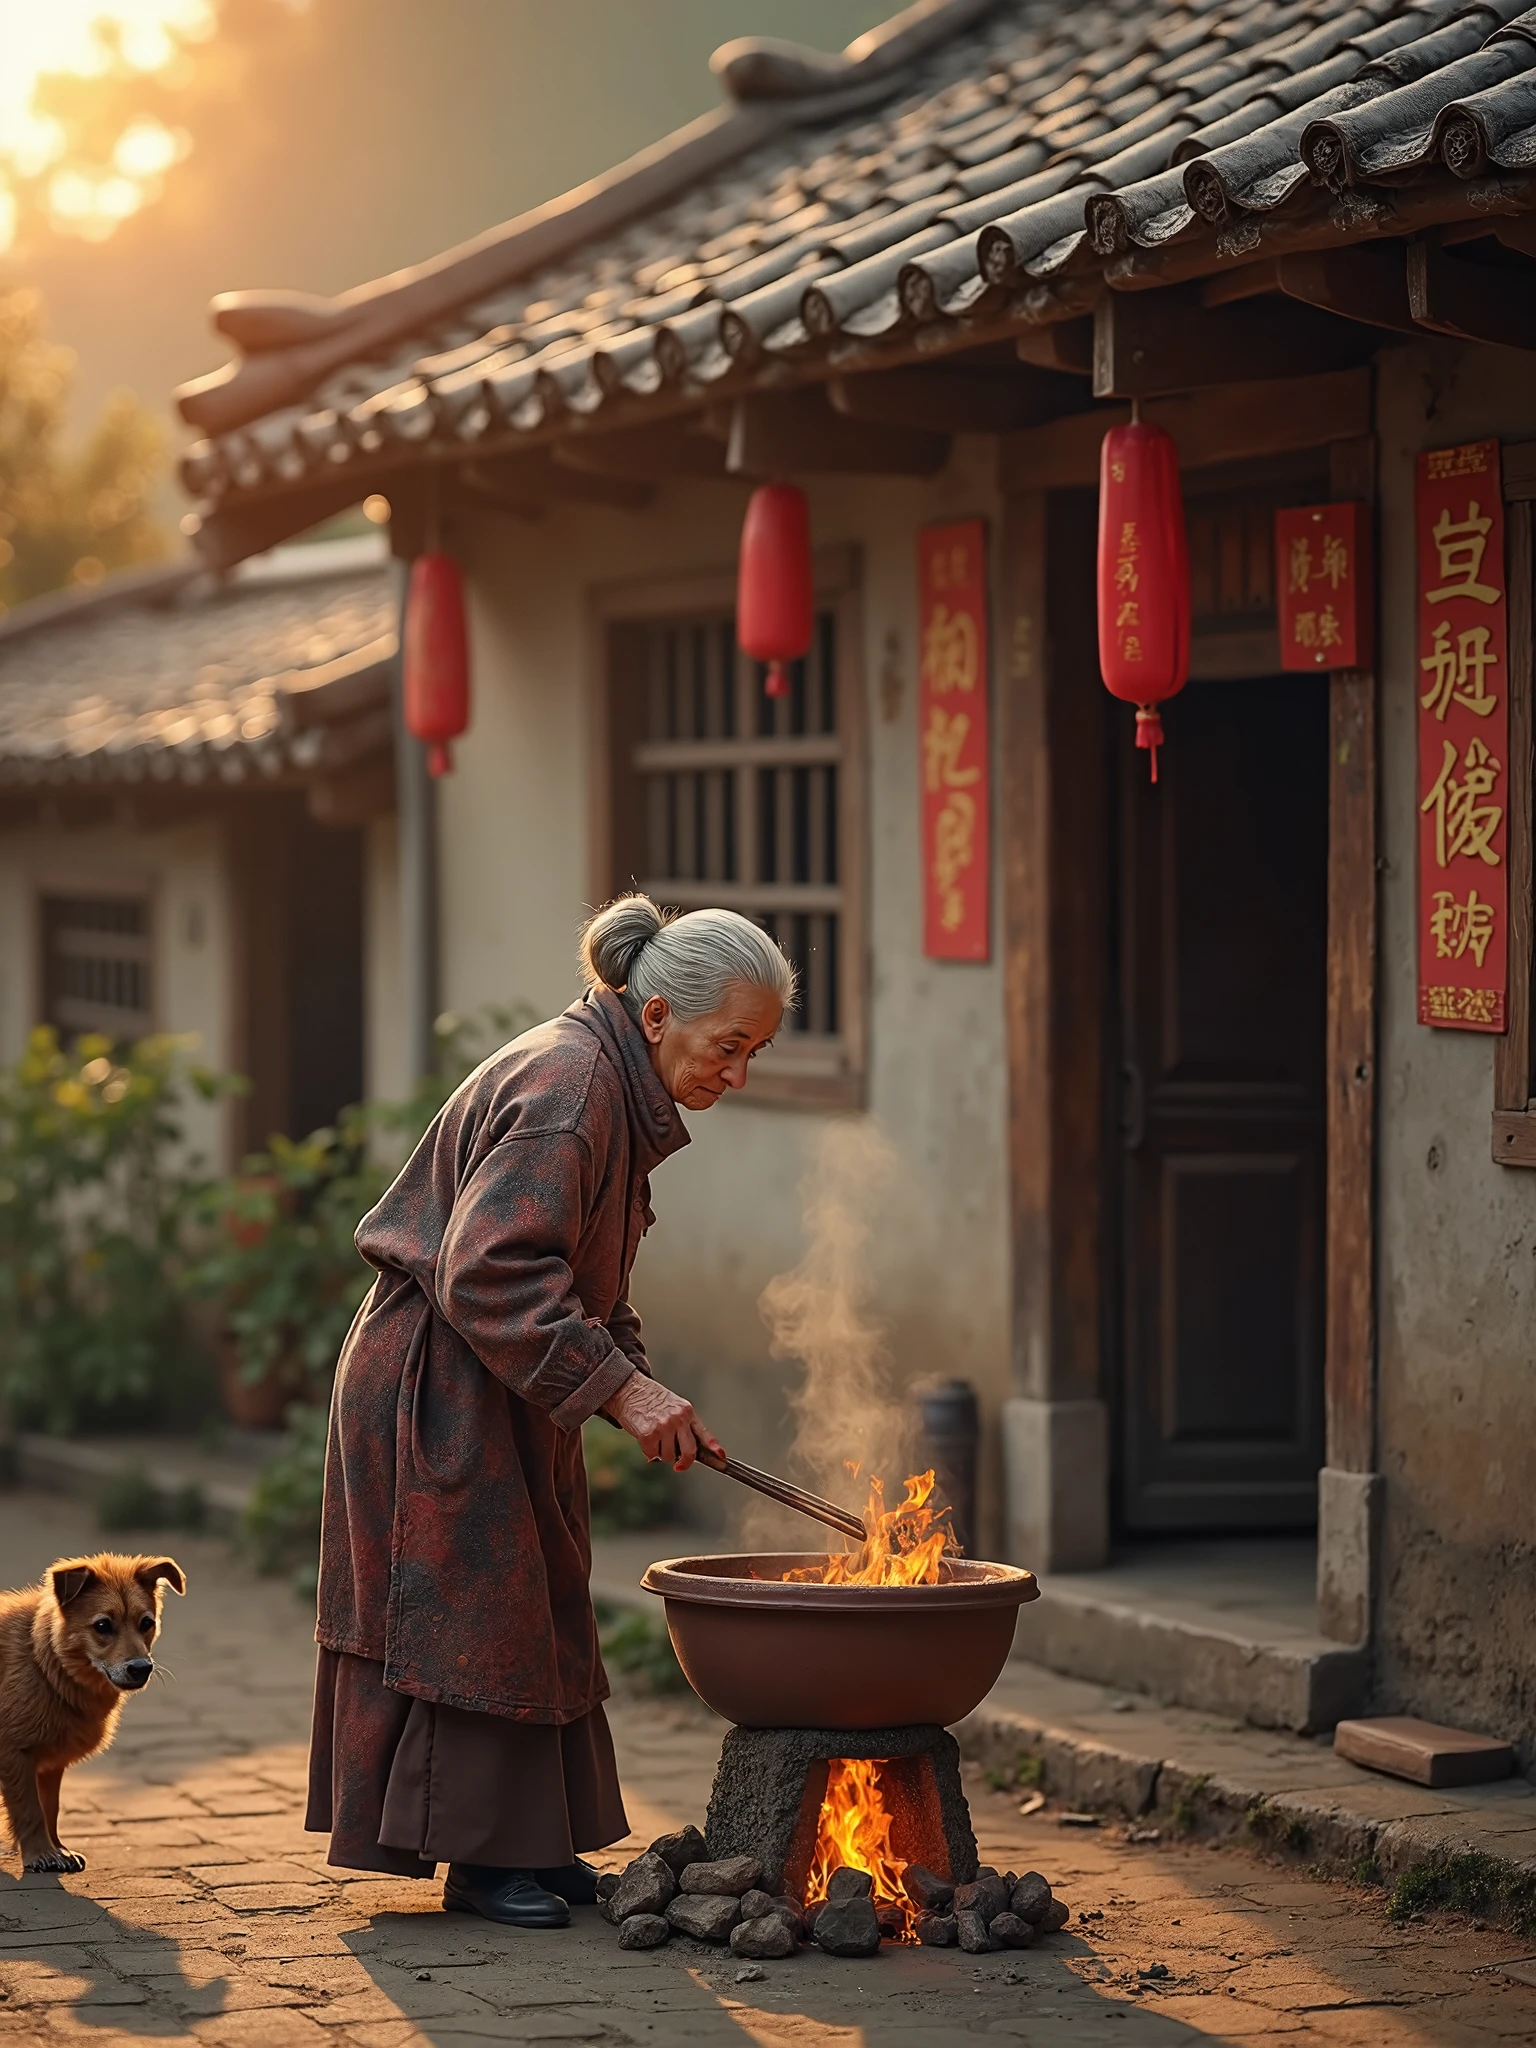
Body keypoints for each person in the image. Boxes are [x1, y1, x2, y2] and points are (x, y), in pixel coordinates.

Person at [305, 894, 794, 1927]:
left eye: (756, 1052)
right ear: (656, 1014)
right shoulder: (573, 1086)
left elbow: (584, 1283)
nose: (737, 1074)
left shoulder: (610, 1077)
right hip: (437, 1379)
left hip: (500, 1378)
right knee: (480, 1608)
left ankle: (530, 1841)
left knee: (542, 1588)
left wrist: (638, 1380)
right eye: (729, 1044)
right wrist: (623, 1387)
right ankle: (485, 1861)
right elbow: (490, 1272)